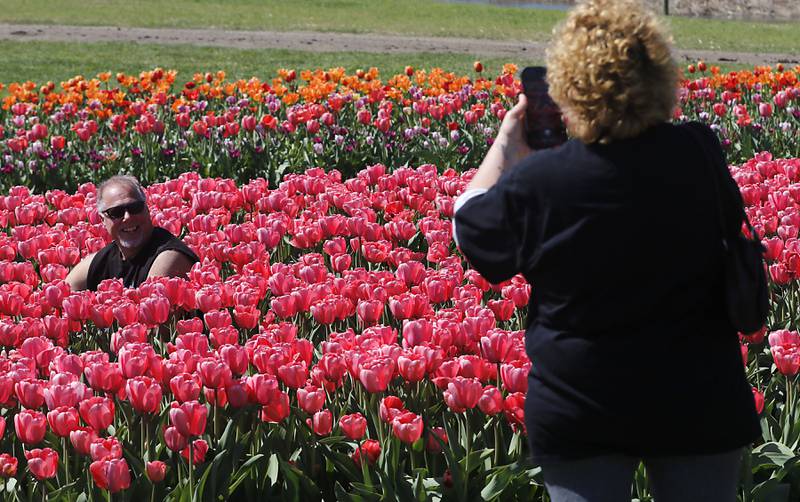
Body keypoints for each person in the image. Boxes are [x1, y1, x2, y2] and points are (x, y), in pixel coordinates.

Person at [452, 1, 760, 501]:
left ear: (568, 85)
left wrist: (506, 149)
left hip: (581, 407)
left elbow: (473, 234)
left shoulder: (545, 180)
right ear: (660, 76)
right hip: (699, 399)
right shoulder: (699, 153)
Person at [66, 175, 199, 291]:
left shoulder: (170, 257)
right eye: (116, 212)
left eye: (135, 208)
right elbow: (65, 291)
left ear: (147, 209)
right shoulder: (103, 260)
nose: (128, 217)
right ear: (102, 220)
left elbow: (153, 314)